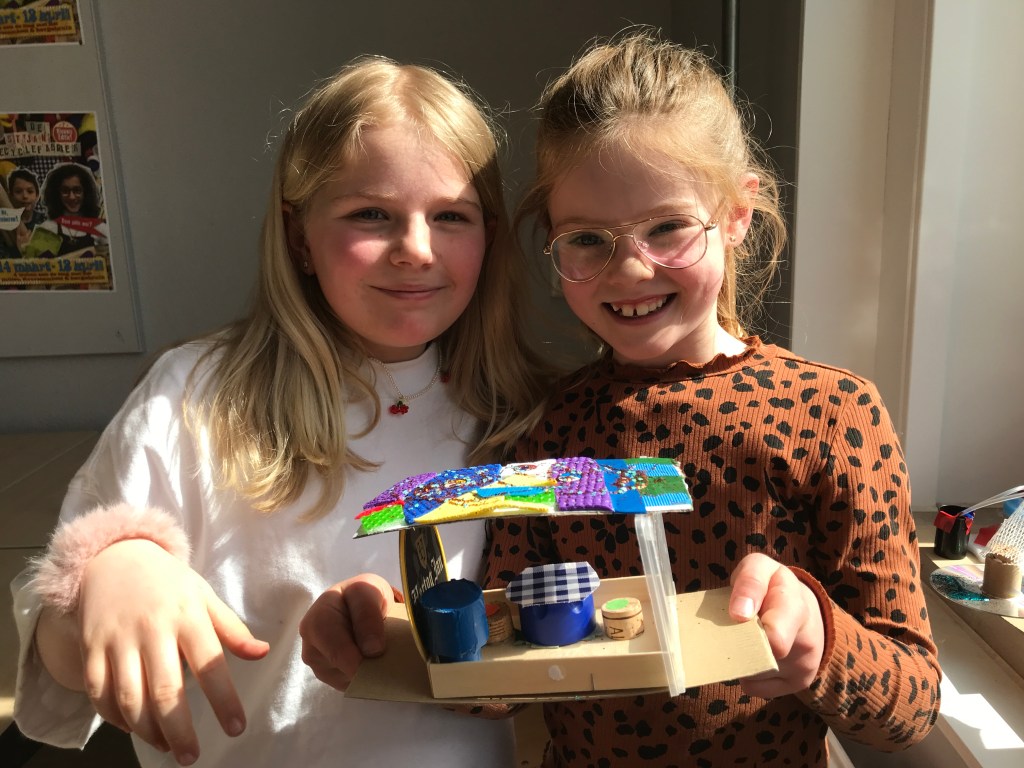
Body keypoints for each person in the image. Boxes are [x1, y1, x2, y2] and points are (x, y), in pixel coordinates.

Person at [12, 56, 548, 767]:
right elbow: (57, 661)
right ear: (300, 238)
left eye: (451, 216)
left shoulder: (530, 416)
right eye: (371, 214)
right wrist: (111, 572)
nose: (417, 250)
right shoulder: (194, 396)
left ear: (489, 236)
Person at [479, 31, 941, 767]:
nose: (630, 270)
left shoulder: (832, 413)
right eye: (588, 238)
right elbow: (494, 683)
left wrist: (822, 641)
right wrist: (410, 631)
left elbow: (911, 705)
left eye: (666, 227)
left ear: (736, 214)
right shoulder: (547, 428)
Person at [38, 162, 108, 254]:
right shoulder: (48, 228)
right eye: (65, 191)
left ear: (86, 193)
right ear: (56, 194)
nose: (72, 197)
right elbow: (37, 261)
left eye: (77, 190)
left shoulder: (99, 228)